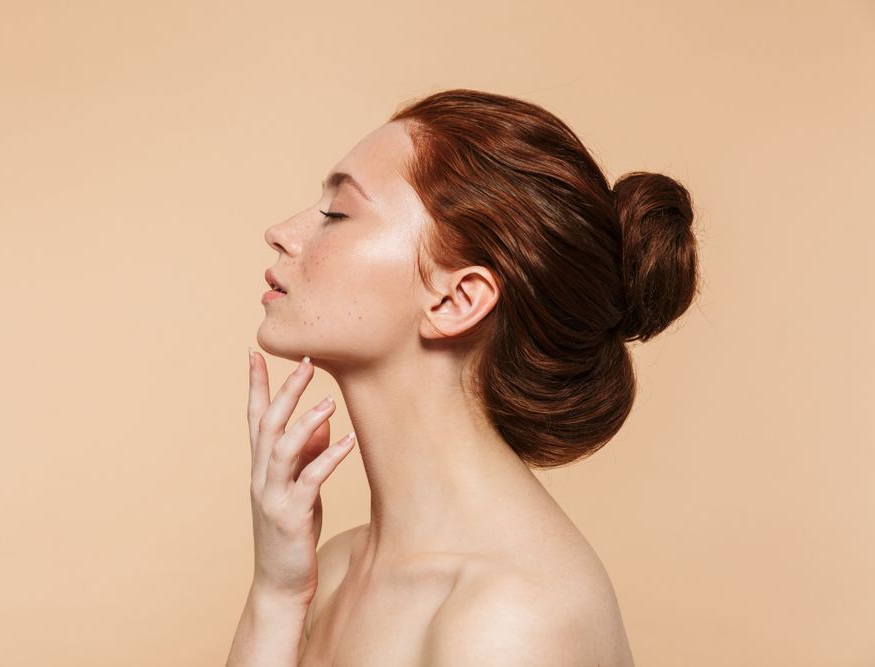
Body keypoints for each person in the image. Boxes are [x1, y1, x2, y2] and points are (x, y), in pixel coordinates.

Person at [228, 88, 699, 666]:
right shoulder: (330, 571)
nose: (282, 231)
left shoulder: (512, 621)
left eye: (337, 214)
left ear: (457, 299)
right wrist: (275, 595)